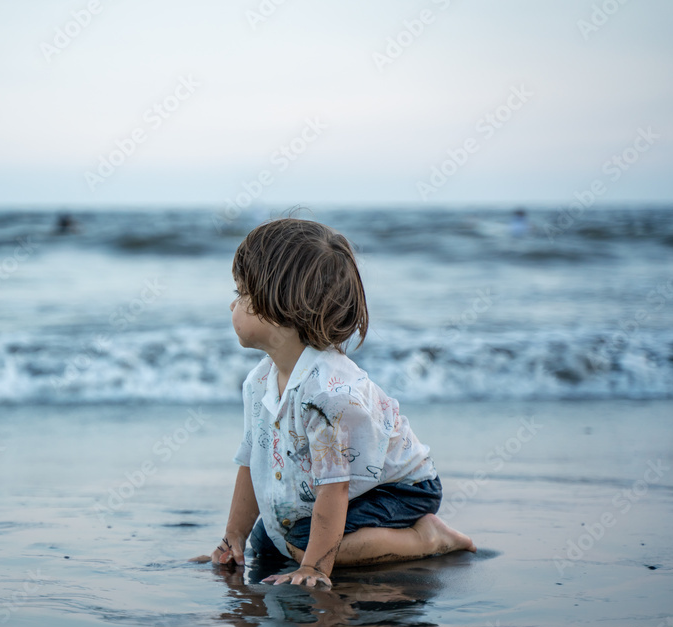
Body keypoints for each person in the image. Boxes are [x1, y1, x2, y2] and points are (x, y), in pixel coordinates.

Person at [193, 218, 475, 589]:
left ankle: (427, 538)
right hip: (349, 485)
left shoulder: (325, 395)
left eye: (243, 294)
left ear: (279, 308)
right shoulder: (259, 382)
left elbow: (335, 486)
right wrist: (234, 539)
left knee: (298, 544)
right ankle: (308, 549)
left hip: (399, 488)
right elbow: (253, 461)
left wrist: (315, 567)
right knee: (268, 541)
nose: (233, 302)